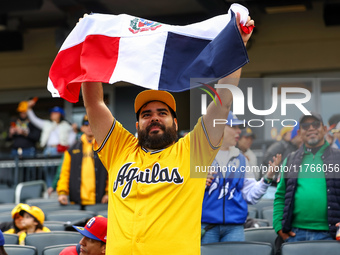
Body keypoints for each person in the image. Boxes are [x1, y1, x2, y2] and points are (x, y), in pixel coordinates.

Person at [80, 13, 254, 255]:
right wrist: (90, 47)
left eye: (162, 112)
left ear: (175, 121)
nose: (154, 117)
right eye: (146, 114)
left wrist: (239, 44)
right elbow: (94, 105)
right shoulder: (119, 148)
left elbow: (223, 100)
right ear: (137, 123)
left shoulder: (193, 151)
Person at [201, 112, 276, 243]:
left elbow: (251, 195)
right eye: (234, 127)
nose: (239, 131)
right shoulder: (199, 155)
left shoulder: (241, 158)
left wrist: (267, 178)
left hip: (235, 228)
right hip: (205, 227)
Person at [273, 112, 340, 251]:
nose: (311, 128)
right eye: (305, 126)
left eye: (315, 124)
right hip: (295, 235)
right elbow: (280, 196)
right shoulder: (290, 160)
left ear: (325, 128)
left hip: (331, 236)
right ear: (299, 132)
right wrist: (279, 227)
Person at [57, 115, 108, 206]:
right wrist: (62, 192)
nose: (89, 127)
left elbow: (111, 172)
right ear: (82, 128)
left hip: (100, 202)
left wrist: (108, 193)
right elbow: (65, 173)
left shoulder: (104, 148)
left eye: (93, 124)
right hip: (76, 202)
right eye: (86, 124)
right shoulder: (71, 150)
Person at [26, 101, 77, 187]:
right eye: (52, 112)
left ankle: (58, 190)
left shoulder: (67, 126)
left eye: (55, 113)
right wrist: (28, 109)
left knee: (60, 171)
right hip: (48, 150)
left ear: (60, 115)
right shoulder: (47, 124)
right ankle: (50, 189)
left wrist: (74, 131)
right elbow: (34, 119)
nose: (52, 114)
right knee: (48, 171)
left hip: (60, 151)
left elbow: (71, 140)